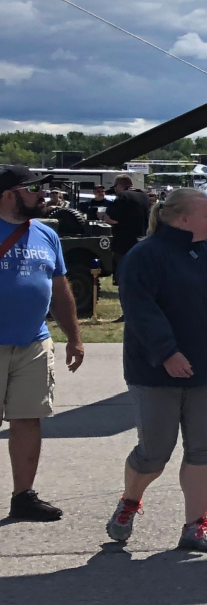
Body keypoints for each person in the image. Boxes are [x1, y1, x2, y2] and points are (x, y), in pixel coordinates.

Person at [107, 189, 207, 551]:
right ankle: (130, 500)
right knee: (154, 453)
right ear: (182, 219)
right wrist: (167, 353)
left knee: (203, 448)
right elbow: (141, 310)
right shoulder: (144, 256)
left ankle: (195, 525)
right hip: (155, 374)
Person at [1, 166, 84, 521]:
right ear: (8, 194)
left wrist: (74, 338)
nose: (42, 196)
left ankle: (24, 496)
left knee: (28, 419)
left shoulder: (46, 235)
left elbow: (60, 290)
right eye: (32, 189)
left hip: (35, 342)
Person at [104, 173, 149, 281]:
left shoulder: (123, 196)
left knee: (123, 271)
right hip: (142, 239)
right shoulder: (144, 196)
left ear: (119, 186)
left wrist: (103, 217)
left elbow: (113, 219)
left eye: (115, 187)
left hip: (124, 241)